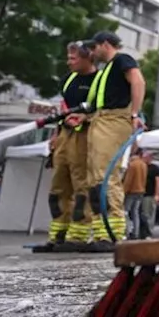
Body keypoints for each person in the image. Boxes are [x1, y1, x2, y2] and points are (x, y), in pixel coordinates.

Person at [83, 31, 145, 248]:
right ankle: (101, 231)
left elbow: (138, 81)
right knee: (94, 178)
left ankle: (113, 232)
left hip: (113, 120)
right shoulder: (106, 69)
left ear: (106, 44)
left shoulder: (122, 60)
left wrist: (135, 114)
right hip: (100, 121)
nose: (93, 52)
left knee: (105, 175)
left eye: (95, 47)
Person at [43, 40, 97, 251]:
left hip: (85, 136)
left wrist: (85, 117)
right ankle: (57, 235)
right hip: (64, 135)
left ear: (87, 57)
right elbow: (63, 107)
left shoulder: (99, 80)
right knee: (58, 187)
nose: (69, 62)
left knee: (81, 185)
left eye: (73, 58)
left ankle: (78, 236)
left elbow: (105, 108)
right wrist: (56, 135)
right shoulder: (68, 80)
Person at [122, 147, 149, 239]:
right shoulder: (143, 164)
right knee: (135, 212)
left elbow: (128, 180)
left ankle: (126, 231)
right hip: (141, 191)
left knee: (125, 211)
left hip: (131, 191)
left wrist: (123, 191)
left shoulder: (132, 164)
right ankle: (136, 233)